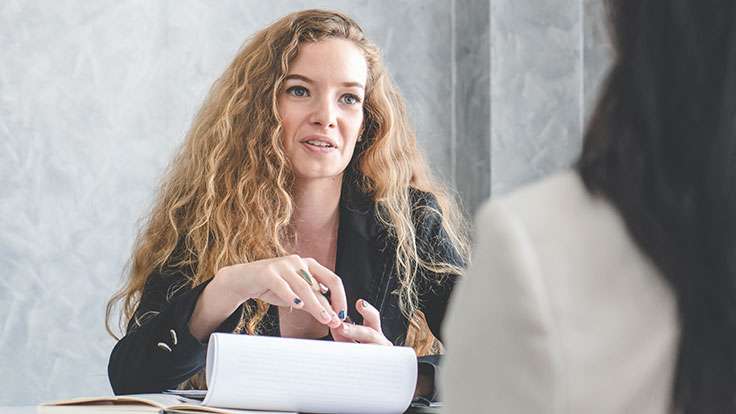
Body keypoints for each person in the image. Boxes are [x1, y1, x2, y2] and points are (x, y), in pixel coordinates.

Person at [105, 9, 468, 395]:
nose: (326, 116)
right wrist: (221, 292)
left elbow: (507, 356)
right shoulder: (202, 220)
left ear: (367, 121)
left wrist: (402, 374)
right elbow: (131, 378)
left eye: (348, 98)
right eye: (299, 90)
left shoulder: (410, 220)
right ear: (260, 108)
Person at [443, 0, 736, 412]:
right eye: (312, 91)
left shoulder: (519, 245)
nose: (324, 117)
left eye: (349, 98)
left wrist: (400, 366)